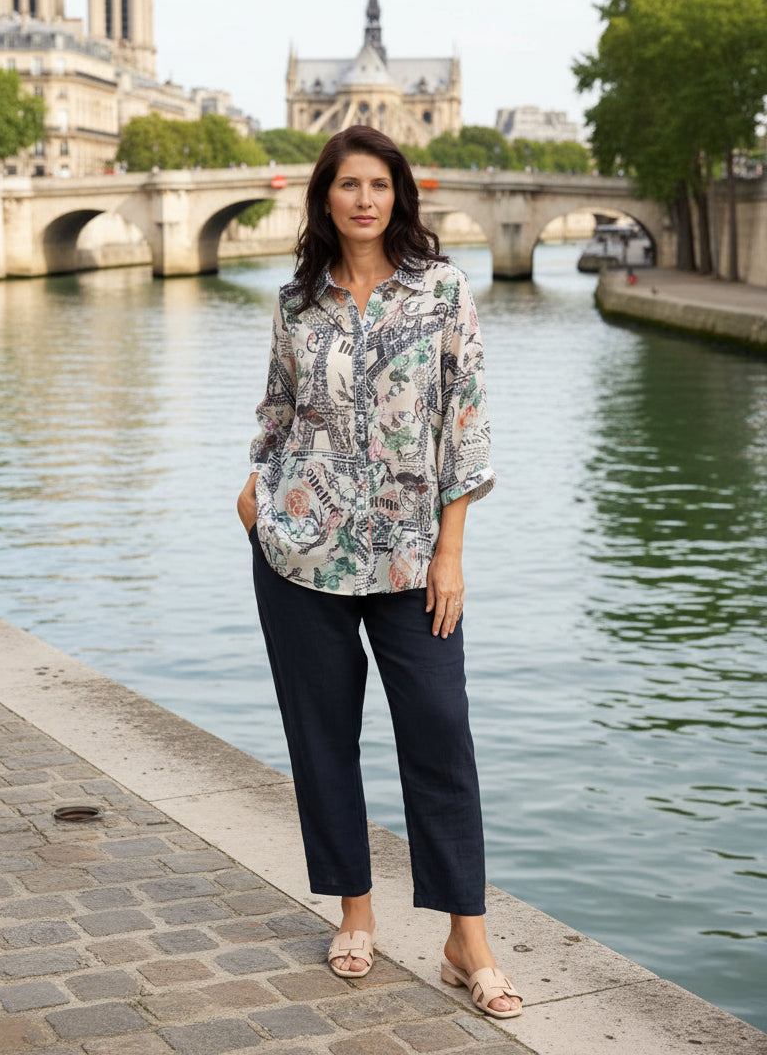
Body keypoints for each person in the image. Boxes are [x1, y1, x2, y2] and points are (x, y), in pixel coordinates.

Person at [237, 126, 522, 1020]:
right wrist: (254, 495)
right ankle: (355, 913)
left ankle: (466, 939)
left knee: (440, 733)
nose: (365, 199)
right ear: (325, 197)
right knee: (322, 737)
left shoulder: (443, 291)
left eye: (379, 185)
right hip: (302, 554)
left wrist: (451, 552)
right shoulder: (297, 302)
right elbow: (277, 411)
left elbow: (465, 425)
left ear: (398, 196)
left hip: (411, 559)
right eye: (348, 185)